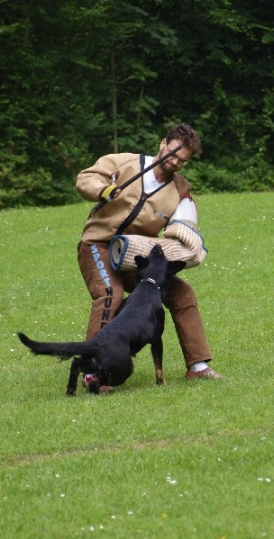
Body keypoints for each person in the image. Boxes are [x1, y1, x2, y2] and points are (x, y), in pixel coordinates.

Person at [75, 123, 223, 383]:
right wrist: (104, 190)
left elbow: (184, 232)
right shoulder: (124, 163)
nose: (174, 161)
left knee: (182, 293)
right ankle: (91, 370)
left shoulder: (179, 192)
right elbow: (85, 179)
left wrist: (187, 238)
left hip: (135, 257)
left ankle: (198, 367)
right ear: (162, 144)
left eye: (181, 160)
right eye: (172, 153)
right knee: (111, 293)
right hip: (97, 245)